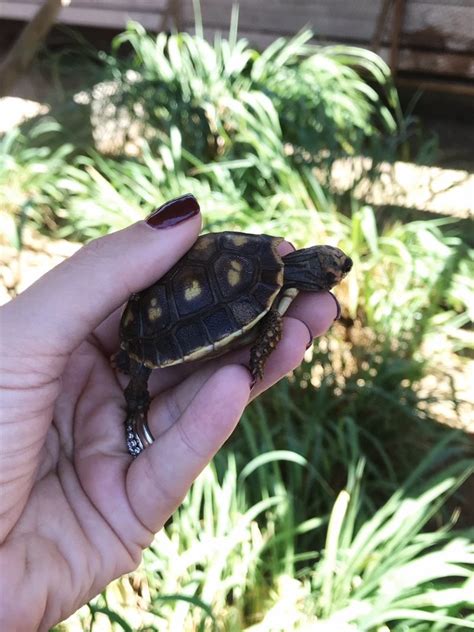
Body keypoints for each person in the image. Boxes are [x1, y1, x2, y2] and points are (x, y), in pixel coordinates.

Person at [0, 195, 340, 631]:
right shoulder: (267, 278)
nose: (337, 276)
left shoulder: (258, 254)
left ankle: (135, 380)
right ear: (317, 276)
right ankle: (135, 392)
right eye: (335, 273)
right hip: (157, 321)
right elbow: (266, 320)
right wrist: (259, 354)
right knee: (166, 365)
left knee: (228, 363)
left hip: (162, 319)